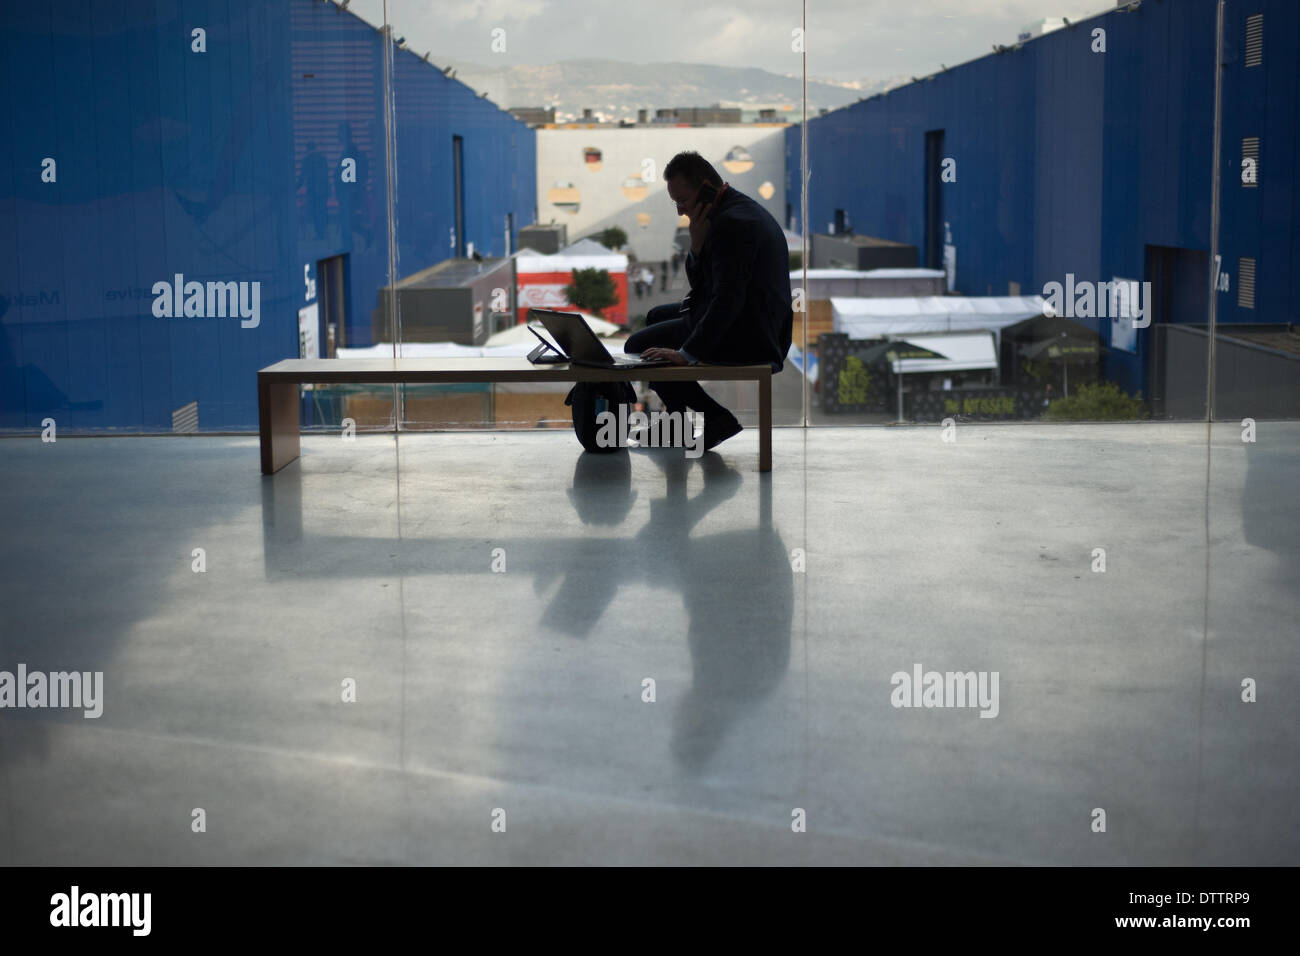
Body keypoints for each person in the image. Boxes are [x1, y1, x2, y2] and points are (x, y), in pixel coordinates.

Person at [629, 151, 792, 451]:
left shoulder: (733, 224)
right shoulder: (729, 212)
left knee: (638, 347)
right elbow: (706, 289)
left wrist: (687, 353)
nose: (679, 211)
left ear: (705, 189)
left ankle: (716, 418)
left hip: (751, 335)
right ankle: (675, 424)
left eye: (682, 202)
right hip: (749, 319)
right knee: (654, 317)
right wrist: (697, 247)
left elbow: (727, 299)